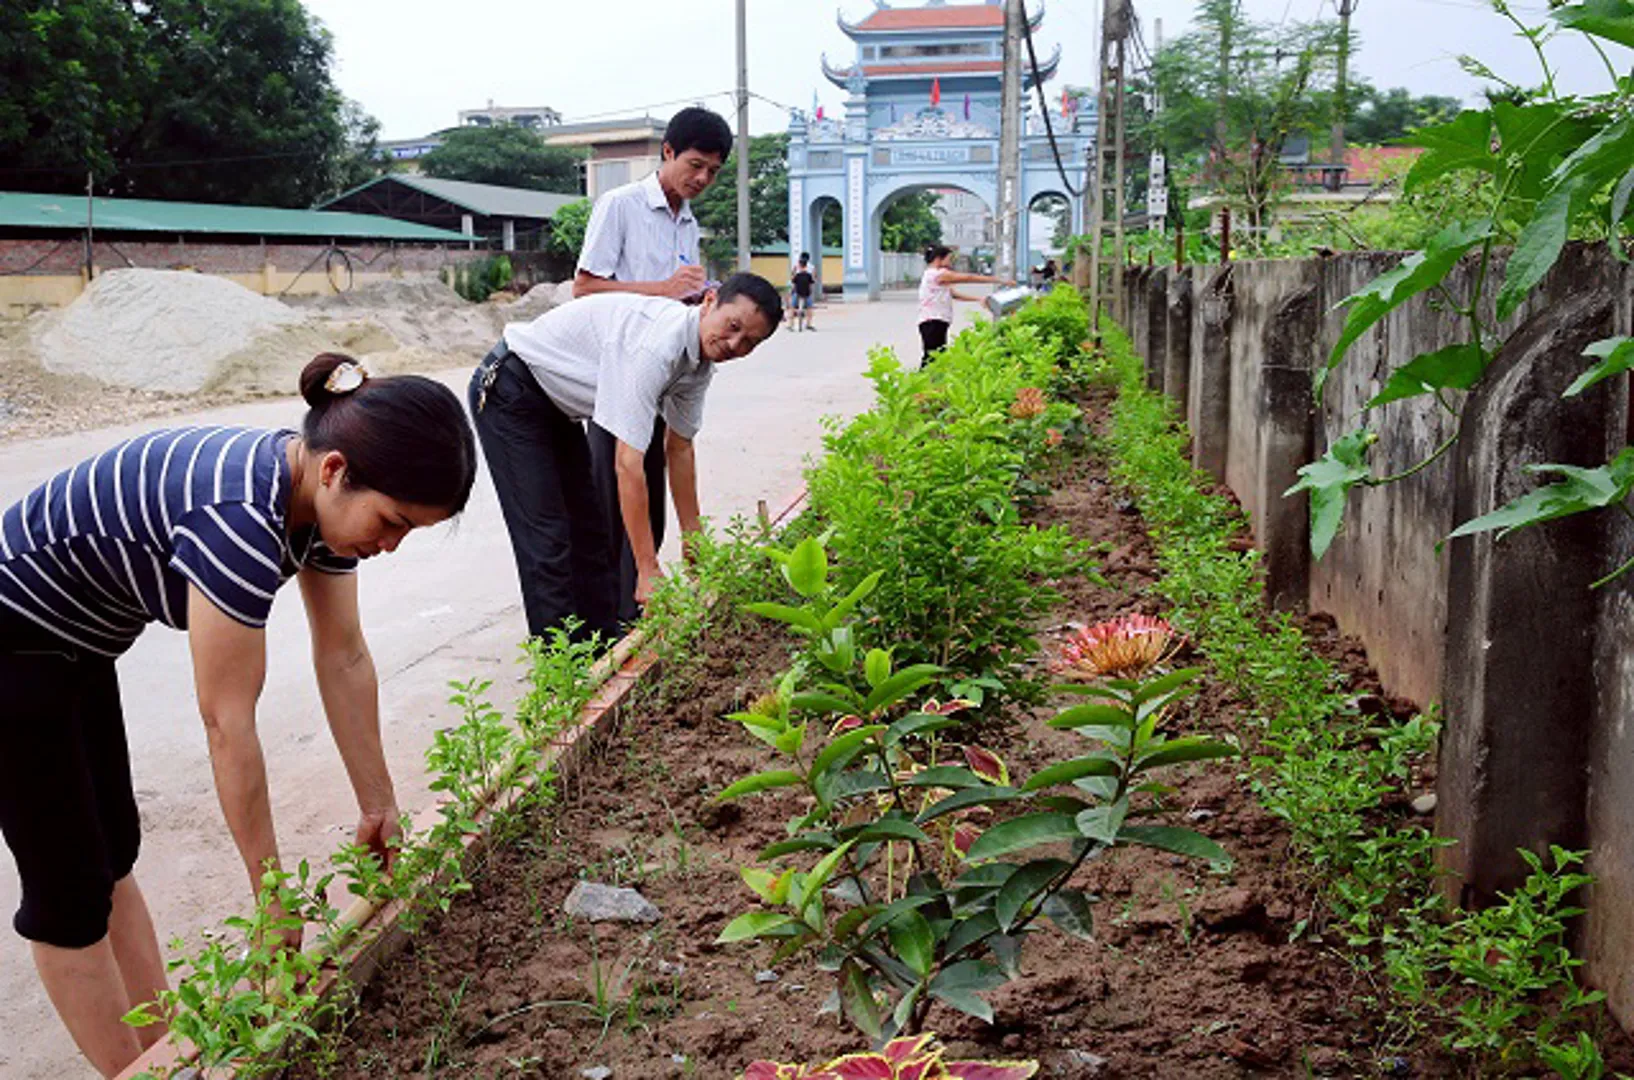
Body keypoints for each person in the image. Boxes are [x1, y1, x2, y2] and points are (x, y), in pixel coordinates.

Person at [0, 355, 477, 1079]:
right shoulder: (237, 520)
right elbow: (227, 722)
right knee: (66, 891)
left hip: (73, 644)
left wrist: (379, 802)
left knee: (112, 855)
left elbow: (343, 658)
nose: (389, 546)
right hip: (13, 640)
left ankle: (171, 1056)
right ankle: (139, 1073)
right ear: (335, 470)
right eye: (392, 522)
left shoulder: (313, 505)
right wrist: (272, 899)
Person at [470, 274, 783, 645]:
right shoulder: (655, 346)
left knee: (591, 533)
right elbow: (627, 464)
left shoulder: (699, 364)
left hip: (556, 406)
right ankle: (561, 679)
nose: (733, 344)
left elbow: (680, 448)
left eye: (749, 342)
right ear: (710, 301)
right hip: (510, 392)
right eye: (733, 327)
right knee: (547, 540)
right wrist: (647, 568)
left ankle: (601, 651)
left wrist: (693, 540)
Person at [574, 106, 736, 626]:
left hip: (666, 372)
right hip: (616, 375)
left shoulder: (687, 222)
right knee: (616, 503)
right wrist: (663, 290)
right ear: (667, 152)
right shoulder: (620, 205)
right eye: (694, 165)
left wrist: (699, 301)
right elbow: (585, 288)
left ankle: (642, 607)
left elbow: (674, 302)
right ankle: (613, 624)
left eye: (713, 171)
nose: (702, 178)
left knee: (653, 499)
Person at [917, 244, 1006, 364]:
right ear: (939, 259)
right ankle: (921, 381)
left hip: (935, 322)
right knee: (932, 358)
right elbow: (968, 278)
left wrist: (978, 299)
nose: (951, 263)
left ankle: (930, 381)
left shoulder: (932, 274)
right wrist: (998, 280)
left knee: (936, 357)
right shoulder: (938, 274)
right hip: (933, 322)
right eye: (949, 259)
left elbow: (953, 294)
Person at [789, 253, 817, 332]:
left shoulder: (796, 266)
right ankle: (808, 324)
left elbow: (792, 278)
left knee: (792, 307)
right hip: (807, 290)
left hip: (796, 290)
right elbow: (813, 280)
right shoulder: (812, 267)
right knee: (809, 308)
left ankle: (791, 325)